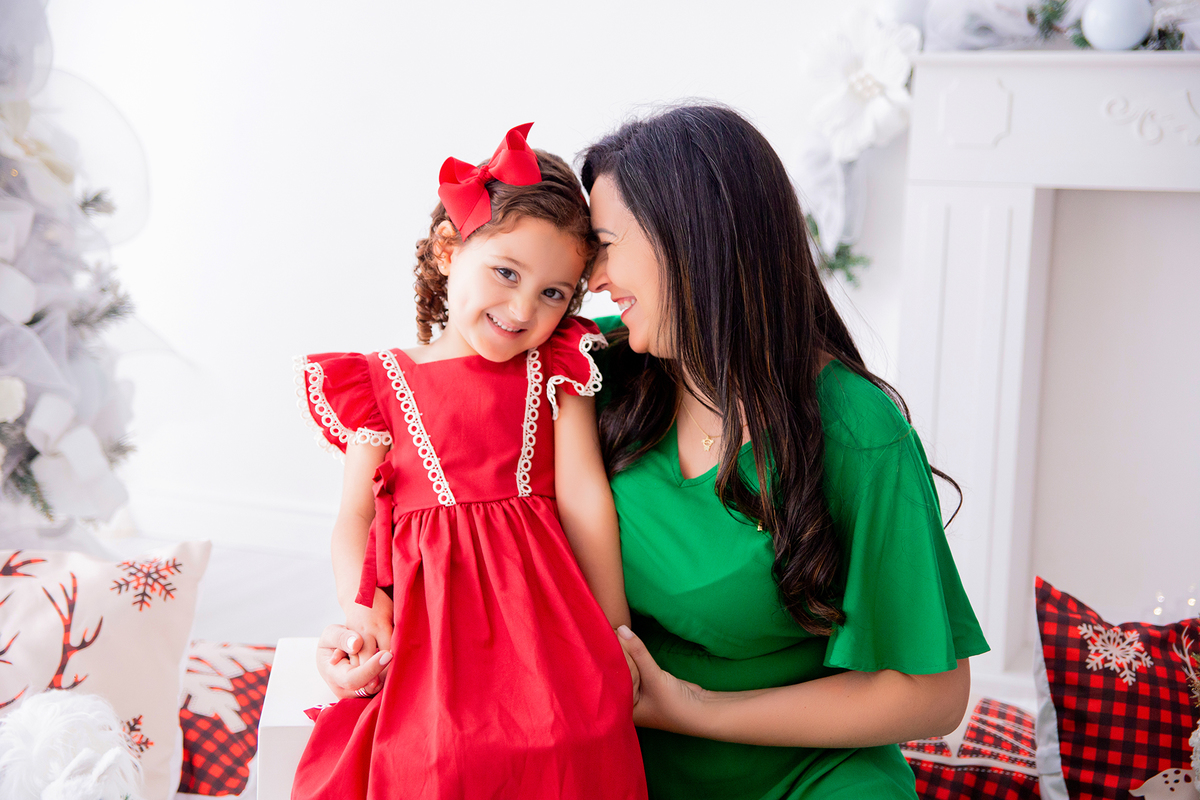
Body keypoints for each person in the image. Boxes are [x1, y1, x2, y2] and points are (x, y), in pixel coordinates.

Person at [320, 105, 989, 799]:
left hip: (802, 773)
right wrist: (362, 635)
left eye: (605, 245)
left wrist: (693, 709)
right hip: (608, 752)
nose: (592, 280)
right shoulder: (586, 368)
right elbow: (423, 502)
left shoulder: (856, 430)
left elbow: (933, 697)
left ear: (692, 240)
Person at [292, 123, 646, 800]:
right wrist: (360, 607)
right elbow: (355, 515)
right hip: (432, 625)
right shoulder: (377, 381)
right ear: (450, 251)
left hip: (544, 622)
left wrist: (616, 630)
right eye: (506, 273)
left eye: (553, 293)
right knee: (437, 758)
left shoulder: (557, 368)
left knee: (577, 739)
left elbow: (583, 500)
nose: (522, 309)